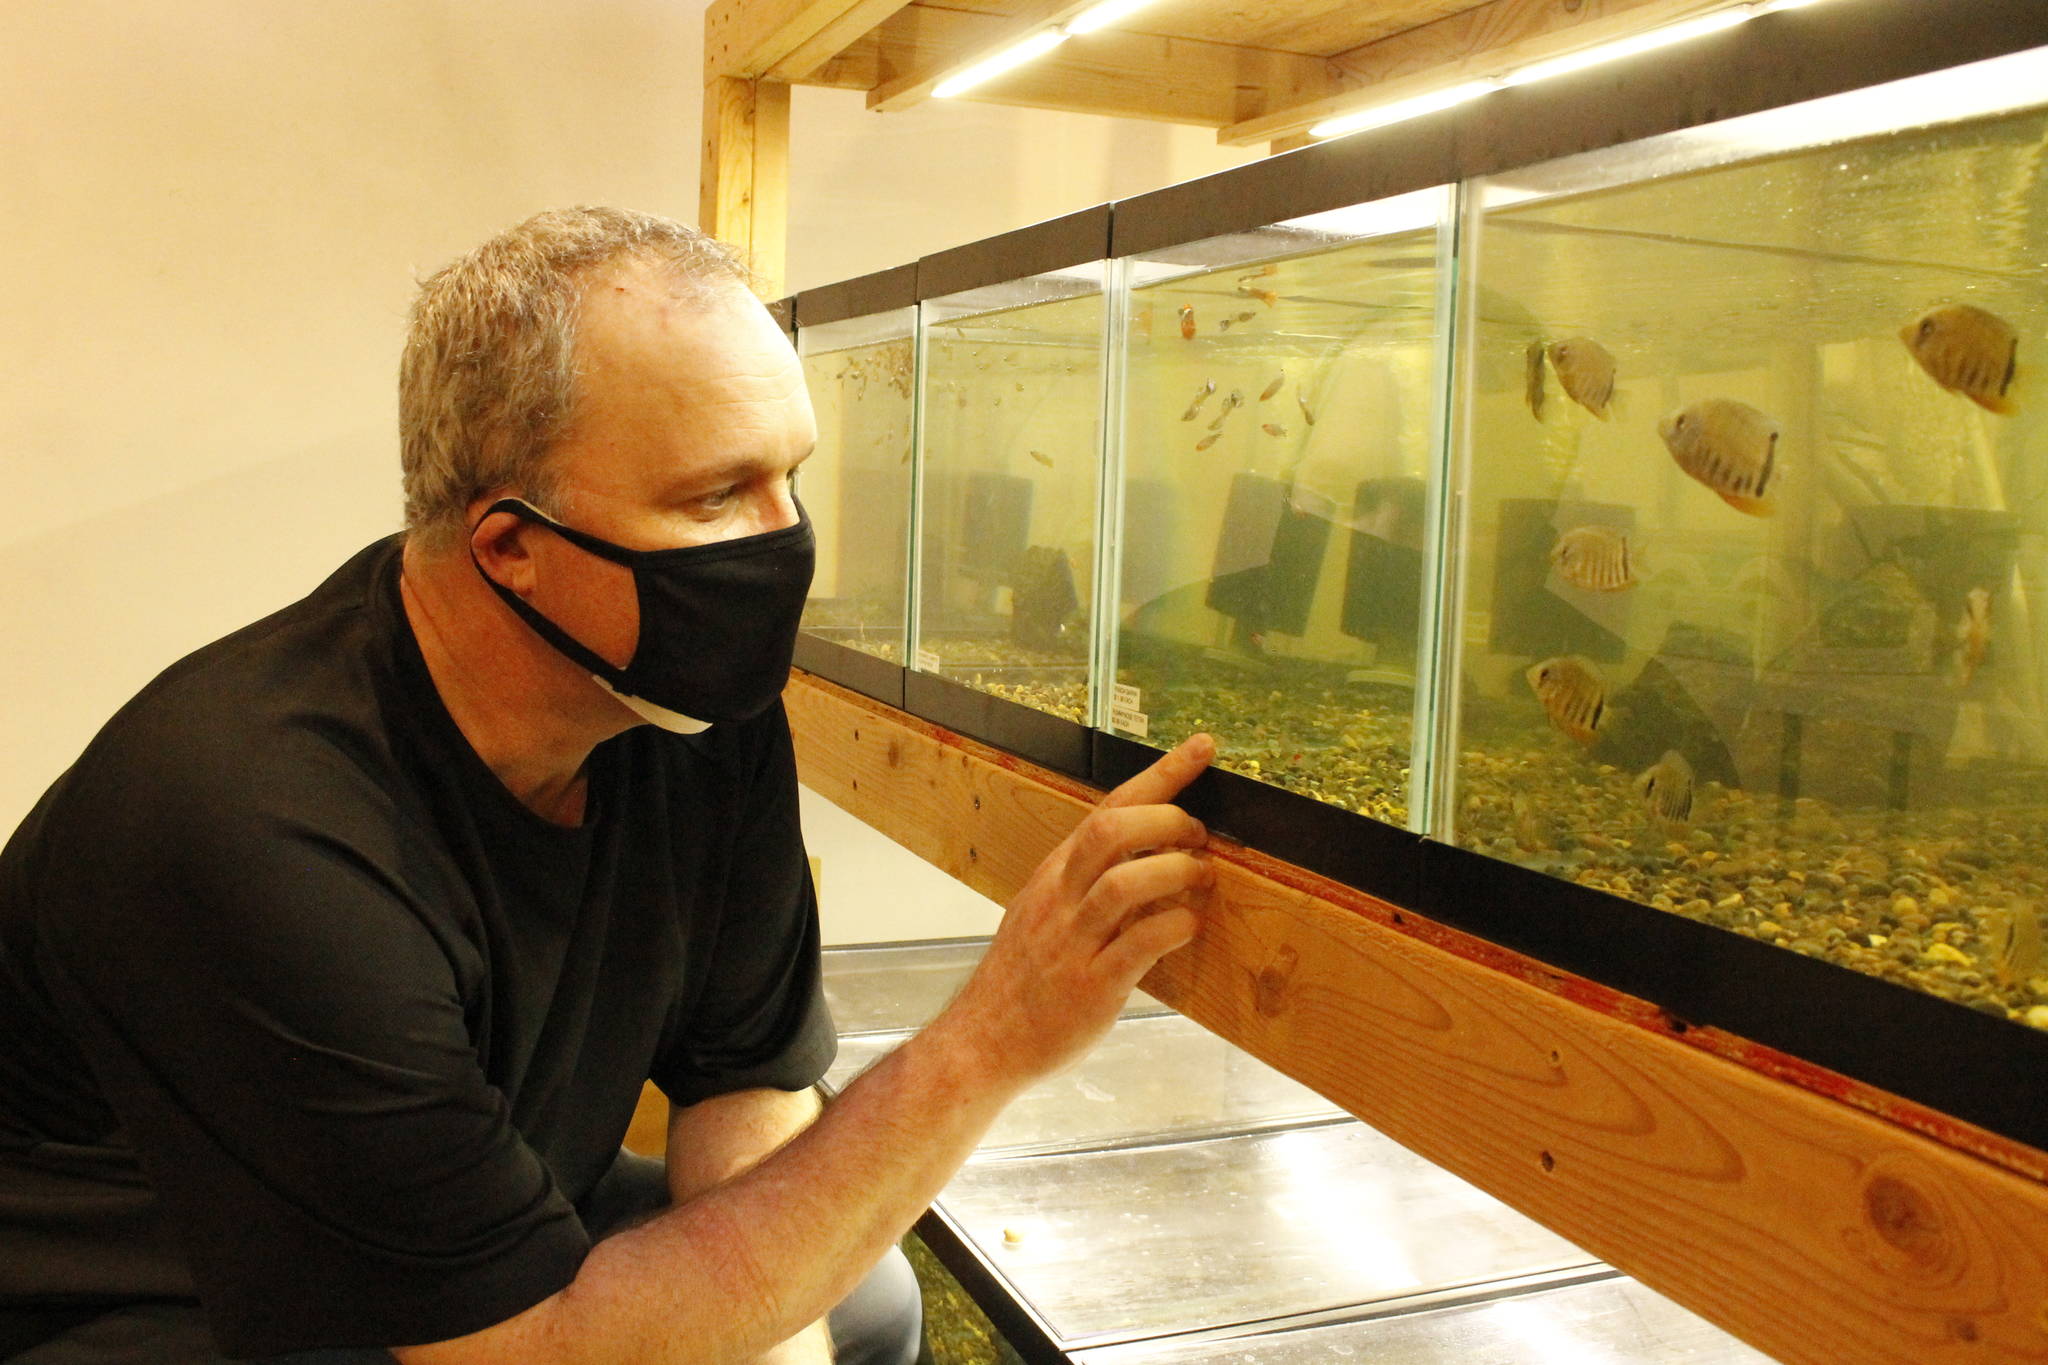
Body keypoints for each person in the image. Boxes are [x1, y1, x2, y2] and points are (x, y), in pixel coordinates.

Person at [0, 206, 1216, 1363]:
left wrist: (775, 1345)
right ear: (511, 548)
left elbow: (741, 1079)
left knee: (863, 1311)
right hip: (172, 1297)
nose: (780, 541)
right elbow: (526, 1348)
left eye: (788, 477)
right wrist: (992, 1039)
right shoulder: (255, 822)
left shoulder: (680, 707)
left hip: (465, 1222)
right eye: (713, 495)